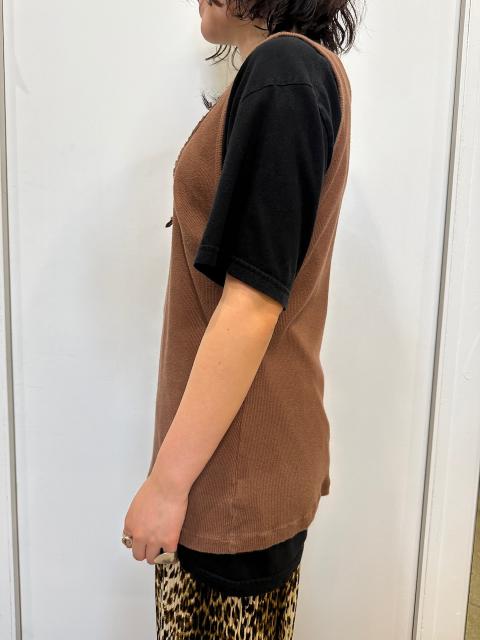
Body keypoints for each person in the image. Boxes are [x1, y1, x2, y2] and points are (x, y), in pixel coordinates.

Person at [123, 1, 361, 637]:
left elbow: (252, 305)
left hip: (233, 477)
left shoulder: (285, 74)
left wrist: (167, 486)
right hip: (234, 467)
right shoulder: (291, 75)